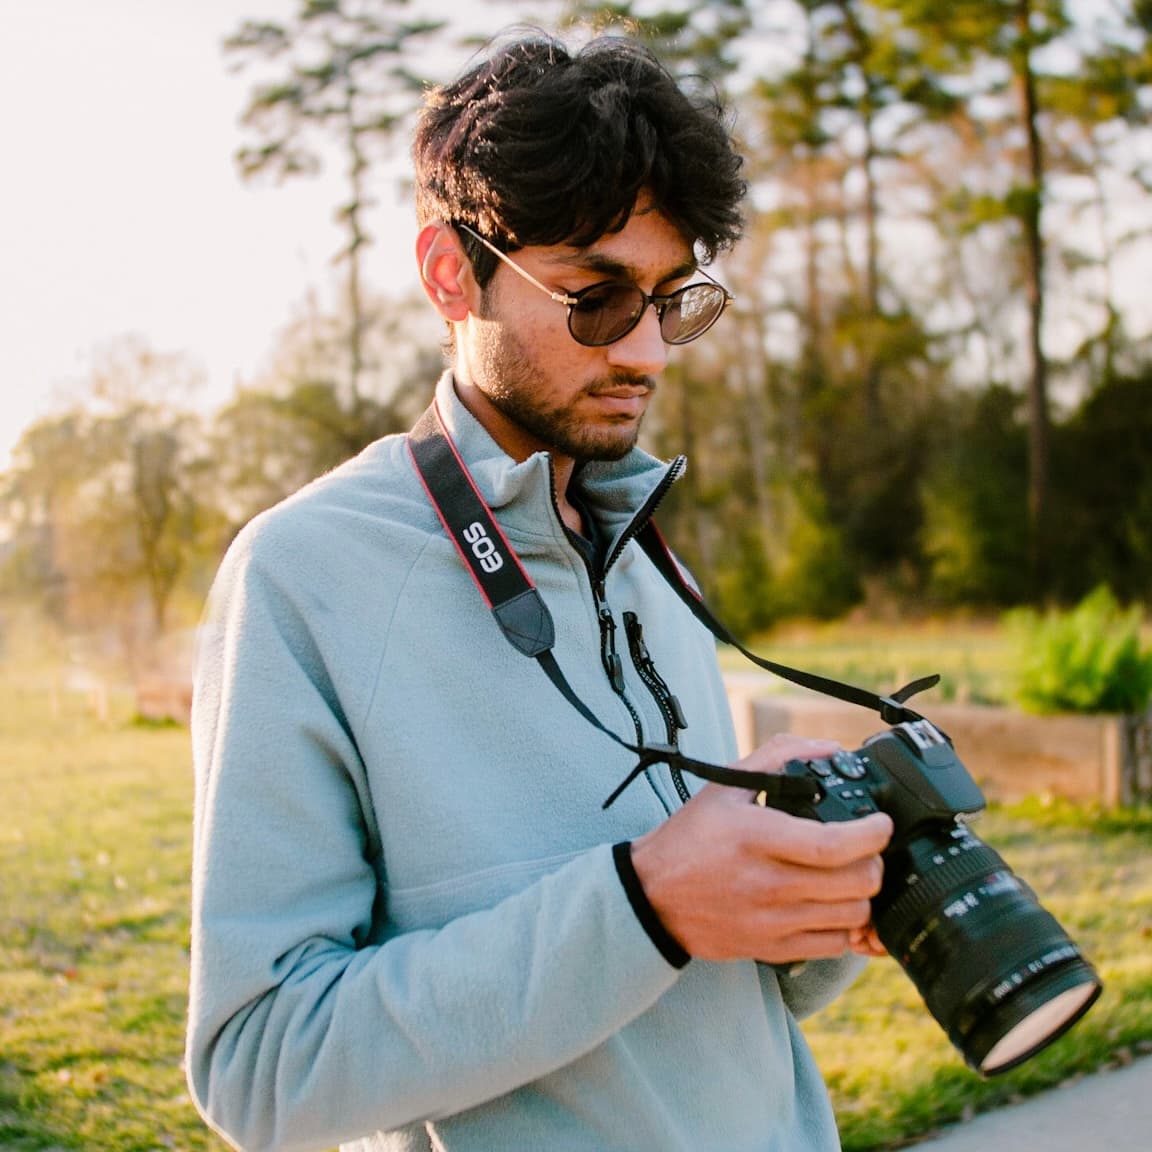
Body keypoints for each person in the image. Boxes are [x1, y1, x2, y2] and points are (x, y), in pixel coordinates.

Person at [186, 28, 893, 1152]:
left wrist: (818, 900)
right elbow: (265, 1068)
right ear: (447, 272)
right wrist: (646, 904)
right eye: (595, 298)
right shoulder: (302, 577)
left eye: (671, 301)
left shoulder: (652, 556)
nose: (648, 354)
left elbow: (711, 1000)